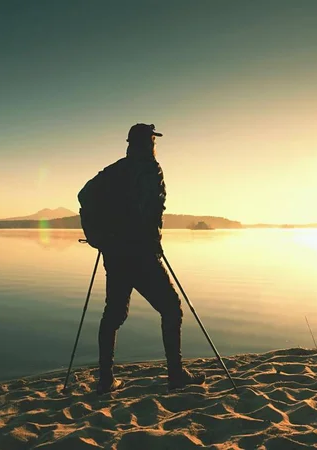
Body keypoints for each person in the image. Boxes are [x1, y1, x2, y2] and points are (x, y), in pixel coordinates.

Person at [95, 123, 205, 394]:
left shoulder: (113, 171)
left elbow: (84, 195)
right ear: (148, 143)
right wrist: (152, 239)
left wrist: (102, 235)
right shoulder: (151, 169)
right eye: (153, 141)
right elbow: (152, 208)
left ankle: (106, 379)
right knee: (171, 308)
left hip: (115, 253)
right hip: (141, 253)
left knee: (114, 314)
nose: (155, 145)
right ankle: (176, 376)